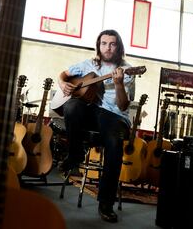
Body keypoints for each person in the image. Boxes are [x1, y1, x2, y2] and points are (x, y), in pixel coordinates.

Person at [57, 29, 135, 223]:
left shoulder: (127, 71)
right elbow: (64, 74)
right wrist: (62, 84)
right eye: (104, 43)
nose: (108, 48)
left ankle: (106, 203)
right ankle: (75, 154)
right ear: (98, 45)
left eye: (112, 44)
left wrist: (118, 84)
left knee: (114, 143)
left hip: (115, 116)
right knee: (72, 105)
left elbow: (124, 105)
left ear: (119, 46)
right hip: (93, 111)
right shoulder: (90, 64)